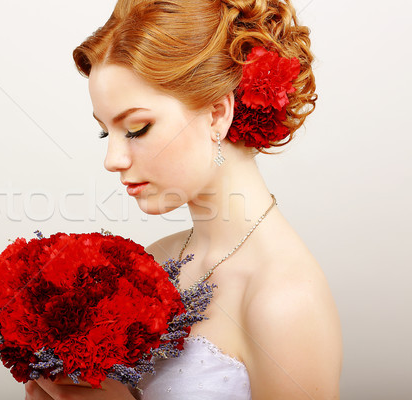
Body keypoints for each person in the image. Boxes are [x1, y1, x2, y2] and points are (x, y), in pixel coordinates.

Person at [25, 0, 342, 398]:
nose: (113, 160)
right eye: (107, 133)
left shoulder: (285, 298)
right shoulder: (155, 261)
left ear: (215, 114)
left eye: (137, 128)